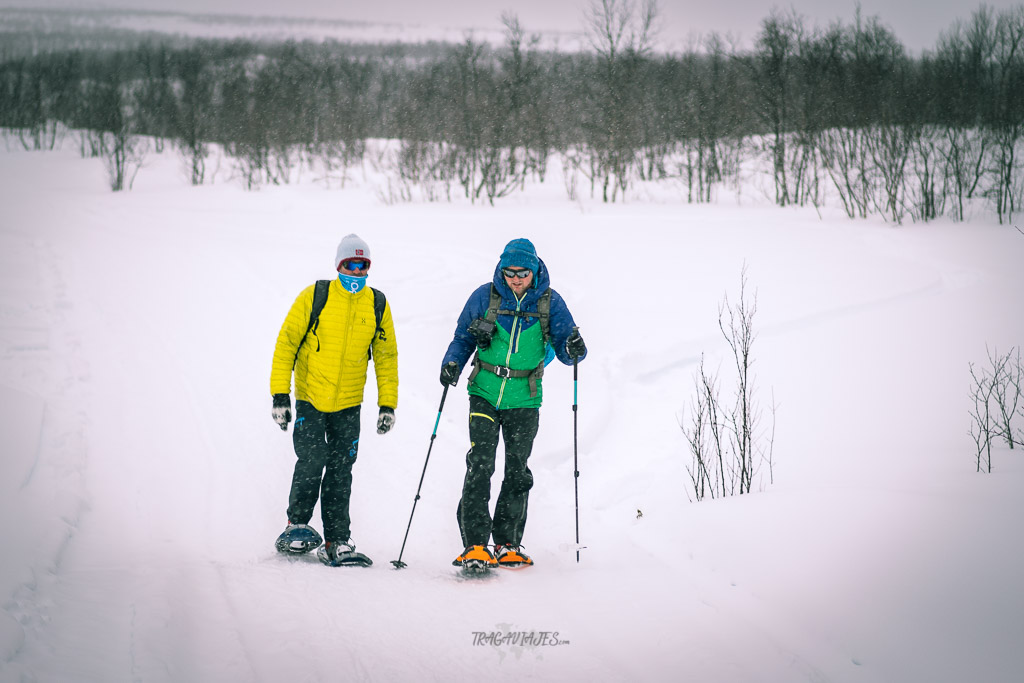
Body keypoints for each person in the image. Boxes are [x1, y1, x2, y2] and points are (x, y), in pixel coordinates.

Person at [440, 238, 587, 570]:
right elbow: (462, 337)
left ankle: (508, 543)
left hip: (525, 397)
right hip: (484, 392)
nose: (516, 279)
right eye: (510, 272)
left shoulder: (550, 302)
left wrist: (576, 346)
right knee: (480, 464)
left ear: (534, 270)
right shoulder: (485, 296)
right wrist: (451, 364)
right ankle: (475, 545)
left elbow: (568, 350)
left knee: (517, 470)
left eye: (522, 273)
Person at [269, 233, 398, 566]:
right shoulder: (316, 296)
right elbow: (286, 344)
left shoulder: (377, 304)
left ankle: (337, 540)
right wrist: (280, 396)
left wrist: (388, 404)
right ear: (339, 265)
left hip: (349, 403)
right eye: (350, 265)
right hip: (311, 398)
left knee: (341, 470)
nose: (356, 272)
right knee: (312, 461)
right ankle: (296, 525)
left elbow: (386, 357)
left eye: (362, 265)